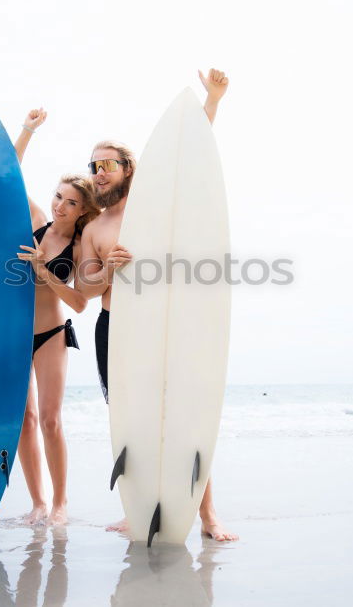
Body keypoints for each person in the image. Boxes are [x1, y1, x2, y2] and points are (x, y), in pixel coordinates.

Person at [75, 69, 239, 542]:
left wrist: (212, 101)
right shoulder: (94, 229)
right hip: (117, 330)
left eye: (108, 164)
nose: (99, 171)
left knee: (189, 417)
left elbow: (191, 158)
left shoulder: (164, 207)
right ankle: (138, 507)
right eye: (93, 165)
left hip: (171, 329)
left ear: (130, 168)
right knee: (133, 422)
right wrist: (109, 273)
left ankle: (207, 516)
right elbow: (85, 291)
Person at [13, 108, 101, 525]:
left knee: (49, 419)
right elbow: (8, 172)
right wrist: (27, 130)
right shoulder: (35, 223)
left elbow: (81, 304)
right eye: (58, 197)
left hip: (51, 334)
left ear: (83, 210)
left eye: (71, 202)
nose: (60, 206)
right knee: (24, 422)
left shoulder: (81, 247)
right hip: (13, 335)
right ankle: (37, 503)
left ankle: (61, 503)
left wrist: (44, 272)